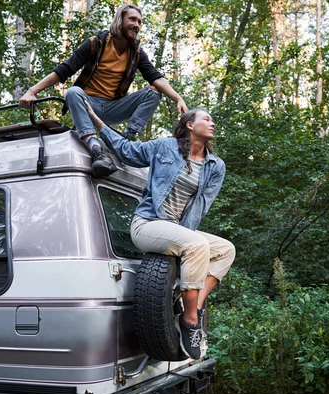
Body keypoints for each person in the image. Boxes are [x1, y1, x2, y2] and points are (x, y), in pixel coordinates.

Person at [85, 101, 236, 360]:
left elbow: (201, 205)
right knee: (196, 245)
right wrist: (98, 122)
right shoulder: (165, 146)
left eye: (213, 121)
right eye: (207, 119)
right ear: (190, 125)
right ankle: (189, 323)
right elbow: (127, 151)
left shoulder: (215, 166)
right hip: (147, 224)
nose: (212, 123)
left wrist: (186, 236)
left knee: (225, 250)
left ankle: (196, 306)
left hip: (178, 229)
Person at [19, 4, 188, 178]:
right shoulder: (96, 43)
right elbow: (65, 69)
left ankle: (126, 140)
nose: (137, 24)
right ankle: (96, 150)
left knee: (153, 91)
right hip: (88, 105)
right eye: (132, 19)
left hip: (113, 107)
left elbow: (156, 77)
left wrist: (178, 98)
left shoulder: (136, 53)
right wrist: (32, 91)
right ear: (119, 20)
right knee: (72, 92)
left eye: (139, 21)